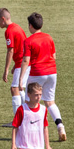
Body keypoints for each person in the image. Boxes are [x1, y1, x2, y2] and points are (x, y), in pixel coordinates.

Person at [18, 12, 66, 141]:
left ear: (30, 26)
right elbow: (54, 56)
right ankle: (60, 126)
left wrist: (21, 79)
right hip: (52, 72)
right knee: (50, 102)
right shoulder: (49, 37)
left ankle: (29, 131)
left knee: (29, 102)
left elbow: (26, 61)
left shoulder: (28, 41)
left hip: (38, 73)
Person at [0, 8, 28, 115]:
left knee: (14, 89)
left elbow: (10, 51)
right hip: (25, 61)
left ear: (3, 19)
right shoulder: (18, 27)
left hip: (22, 63)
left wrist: (6, 70)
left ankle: (17, 120)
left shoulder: (9, 31)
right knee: (20, 88)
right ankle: (24, 117)